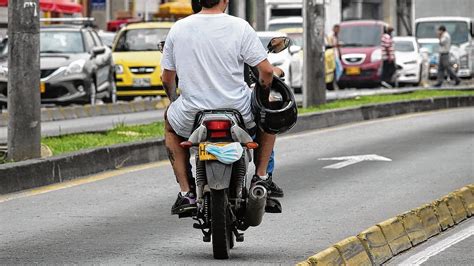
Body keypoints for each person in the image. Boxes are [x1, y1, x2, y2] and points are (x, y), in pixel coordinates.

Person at [161, 0, 284, 216]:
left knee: (170, 126)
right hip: (239, 111)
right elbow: (265, 72)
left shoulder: (178, 28)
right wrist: (262, 98)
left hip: (193, 113)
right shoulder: (240, 27)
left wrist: (174, 101)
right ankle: (262, 177)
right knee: (268, 113)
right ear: (225, 0)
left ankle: (186, 192)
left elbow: (167, 78)